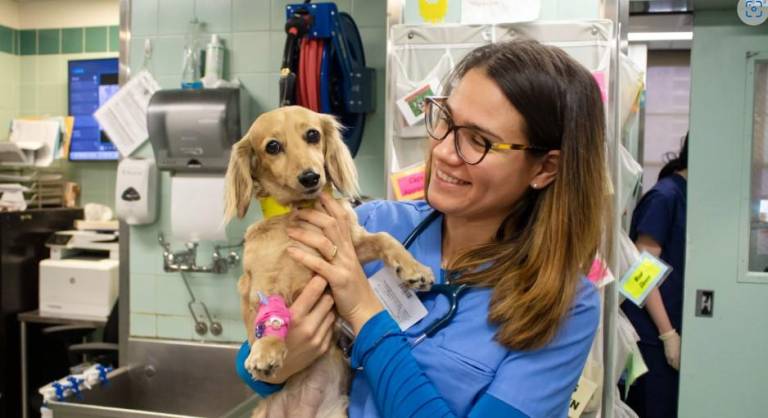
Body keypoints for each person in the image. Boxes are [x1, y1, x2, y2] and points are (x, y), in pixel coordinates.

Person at [239, 39, 609, 417]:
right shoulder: (375, 223)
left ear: (545, 168)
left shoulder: (564, 305)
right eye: (446, 121)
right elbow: (252, 364)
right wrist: (282, 355)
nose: (445, 152)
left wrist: (365, 313)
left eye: (479, 141)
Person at [622, 135, 688, 418]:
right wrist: (667, 334)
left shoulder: (689, 196)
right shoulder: (666, 196)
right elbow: (640, 273)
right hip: (652, 336)